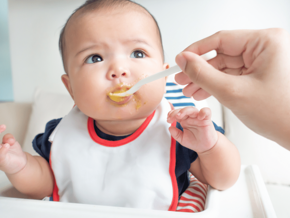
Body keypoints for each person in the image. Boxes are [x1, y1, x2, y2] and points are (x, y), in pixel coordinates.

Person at [0, 0, 240, 211]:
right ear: (70, 87)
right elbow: (48, 184)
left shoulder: (180, 131)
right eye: (95, 58)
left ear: (164, 76)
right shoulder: (60, 135)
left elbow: (222, 180)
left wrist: (209, 147)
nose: (119, 70)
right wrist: (19, 166)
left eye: (137, 53)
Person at [174, 28, 290, 150]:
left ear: (164, 74)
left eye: (150, 54)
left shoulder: (185, 122)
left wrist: (209, 148)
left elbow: (227, 169)